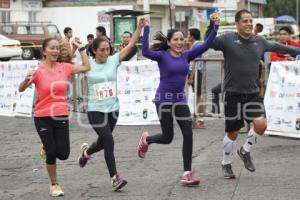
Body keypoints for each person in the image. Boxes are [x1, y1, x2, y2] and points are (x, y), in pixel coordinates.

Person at [205, 9, 300, 179]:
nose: (249, 24)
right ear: (237, 24)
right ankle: (226, 162)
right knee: (233, 133)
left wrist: (298, 51)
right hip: (233, 94)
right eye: (245, 21)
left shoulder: (260, 41)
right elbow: (209, 42)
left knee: (261, 125)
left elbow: (279, 46)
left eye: (250, 21)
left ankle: (245, 151)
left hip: (253, 94)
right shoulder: (228, 39)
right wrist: (212, 25)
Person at [137, 13, 220, 186]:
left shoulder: (186, 55)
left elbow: (205, 45)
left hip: (180, 101)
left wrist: (215, 26)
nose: (180, 42)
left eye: (182, 39)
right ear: (169, 42)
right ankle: (147, 140)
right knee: (168, 137)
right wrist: (146, 29)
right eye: (176, 39)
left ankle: (187, 172)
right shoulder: (162, 56)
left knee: (188, 134)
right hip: (164, 100)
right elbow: (145, 51)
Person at [77, 18, 146, 192]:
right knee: (109, 140)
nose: (106, 52)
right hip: (95, 110)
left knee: (102, 142)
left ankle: (86, 153)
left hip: (113, 109)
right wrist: (76, 48)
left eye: (108, 49)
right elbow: (69, 63)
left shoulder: (114, 60)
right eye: (102, 50)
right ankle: (115, 178)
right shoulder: (88, 65)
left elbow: (130, 46)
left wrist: (138, 28)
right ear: (94, 50)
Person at [18, 38, 90, 196]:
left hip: (60, 114)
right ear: (44, 51)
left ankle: (46, 145)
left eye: (57, 48)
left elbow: (86, 67)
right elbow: (21, 89)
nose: (56, 51)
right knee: (51, 152)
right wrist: (26, 78)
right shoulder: (37, 70)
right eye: (52, 48)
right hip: (42, 116)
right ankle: (54, 184)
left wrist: (81, 49)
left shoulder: (64, 67)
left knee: (63, 154)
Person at [187, 28, 205, 128]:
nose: (187, 36)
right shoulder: (194, 45)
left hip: (196, 72)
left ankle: (201, 121)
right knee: (194, 96)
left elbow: (194, 61)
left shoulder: (197, 45)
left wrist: (191, 77)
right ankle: (194, 120)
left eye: (189, 35)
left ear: (192, 36)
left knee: (198, 96)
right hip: (194, 72)